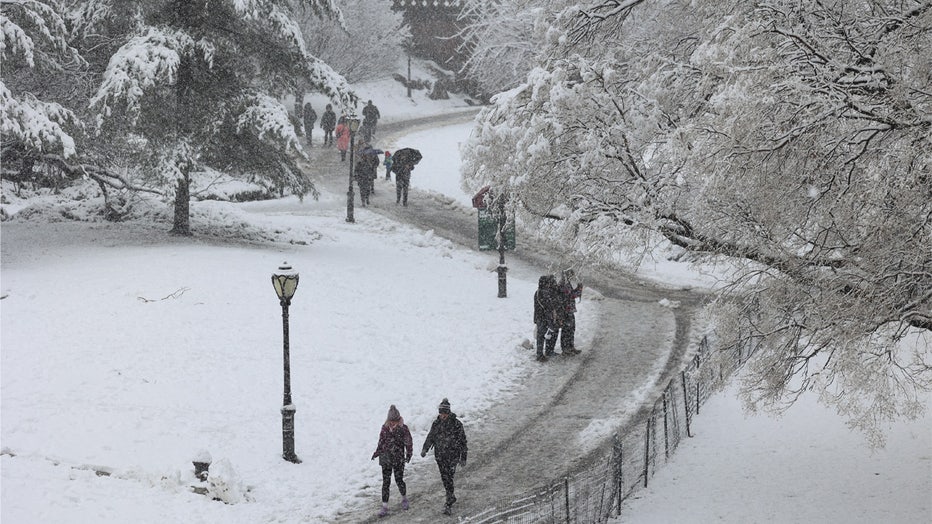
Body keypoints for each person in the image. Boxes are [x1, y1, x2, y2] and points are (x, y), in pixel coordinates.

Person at [421, 398, 467, 515]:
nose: (443, 416)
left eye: (445, 413)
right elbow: (430, 437)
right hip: (440, 456)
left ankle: (449, 500)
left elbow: (463, 442)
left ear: (448, 412)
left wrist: (463, 457)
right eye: (441, 413)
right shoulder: (436, 424)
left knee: (449, 476)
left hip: (453, 456)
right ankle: (450, 495)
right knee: (444, 477)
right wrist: (425, 449)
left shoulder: (456, 424)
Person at [371, 404, 413, 518]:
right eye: (390, 421)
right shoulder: (384, 428)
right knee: (386, 482)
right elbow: (381, 442)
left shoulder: (403, 429)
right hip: (386, 458)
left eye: (394, 421)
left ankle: (404, 498)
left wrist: (409, 454)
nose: (392, 423)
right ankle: (384, 506)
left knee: (399, 480)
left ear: (398, 419)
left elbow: (408, 442)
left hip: (398, 458)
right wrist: (377, 452)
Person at [556, 269, 583, 355]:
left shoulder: (567, 284)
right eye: (571, 275)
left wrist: (579, 288)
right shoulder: (563, 285)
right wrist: (579, 289)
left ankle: (570, 347)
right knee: (566, 330)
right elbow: (571, 295)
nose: (572, 277)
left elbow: (572, 294)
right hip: (565, 311)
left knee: (571, 329)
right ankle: (566, 349)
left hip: (569, 310)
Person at [534, 274, 560, 361]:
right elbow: (548, 305)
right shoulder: (543, 293)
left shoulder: (539, 292)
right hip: (543, 317)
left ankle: (542, 353)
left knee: (542, 335)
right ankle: (540, 354)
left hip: (541, 317)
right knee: (542, 336)